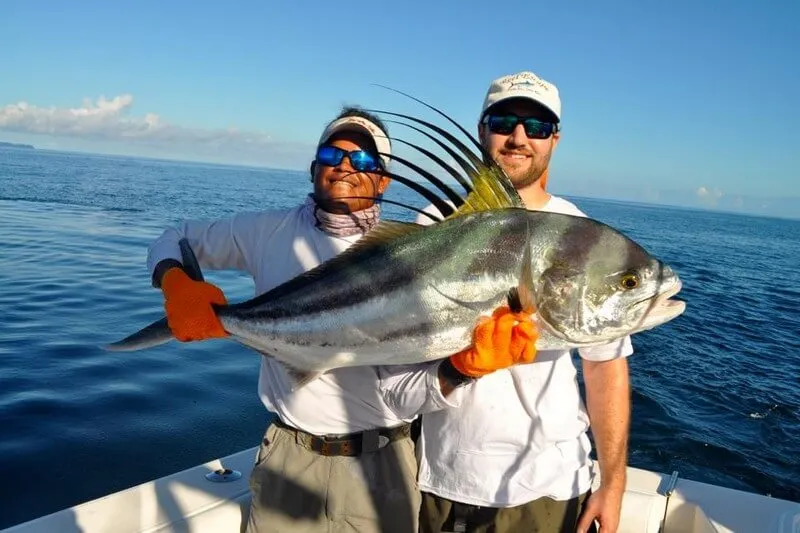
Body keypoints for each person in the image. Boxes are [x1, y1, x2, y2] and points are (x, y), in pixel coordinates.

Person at [145, 107, 422, 533]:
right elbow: (174, 236)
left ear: (384, 180)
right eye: (333, 155)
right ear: (314, 169)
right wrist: (174, 282)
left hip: (384, 463)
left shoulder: (407, 252)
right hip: (289, 456)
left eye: (364, 160)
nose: (345, 166)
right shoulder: (269, 231)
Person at [380, 71, 633, 533]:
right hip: (449, 483)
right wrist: (462, 367)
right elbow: (395, 373)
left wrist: (613, 484)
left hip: (551, 486)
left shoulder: (581, 237)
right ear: (482, 129)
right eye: (504, 122)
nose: (519, 137)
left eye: (536, 127)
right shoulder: (435, 223)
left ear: (554, 139)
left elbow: (605, 368)